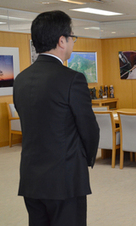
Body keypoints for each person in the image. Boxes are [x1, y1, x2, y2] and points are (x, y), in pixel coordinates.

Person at [13, 11, 100, 226]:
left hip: (31, 178)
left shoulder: (20, 79)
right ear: (62, 41)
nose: (73, 41)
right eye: (72, 36)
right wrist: (86, 159)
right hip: (65, 179)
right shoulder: (72, 79)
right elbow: (89, 129)